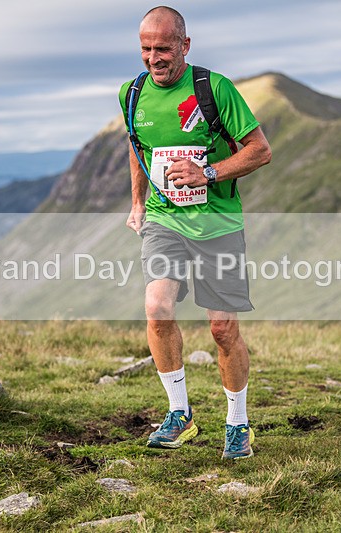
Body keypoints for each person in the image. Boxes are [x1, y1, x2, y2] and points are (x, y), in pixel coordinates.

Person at [119, 6, 271, 460]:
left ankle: (237, 423)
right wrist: (138, 202)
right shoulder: (131, 94)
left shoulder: (214, 88)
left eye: (162, 49)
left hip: (218, 226)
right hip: (165, 221)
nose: (153, 58)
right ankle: (180, 415)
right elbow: (136, 144)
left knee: (223, 330)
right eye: (145, 49)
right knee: (157, 307)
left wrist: (207, 172)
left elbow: (259, 151)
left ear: (185, 45)